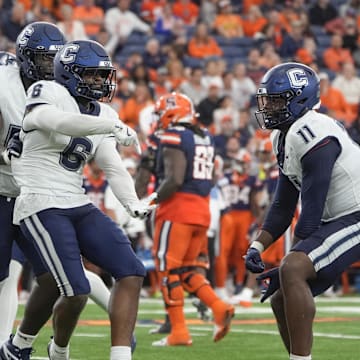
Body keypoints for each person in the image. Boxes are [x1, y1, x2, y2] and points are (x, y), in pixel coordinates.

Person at [10, 39, 157, 360]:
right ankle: (33, 348)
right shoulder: (47, 92)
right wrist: (112, 124)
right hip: (40, 200)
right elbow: (60, 122)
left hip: (76, 200)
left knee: (131, 269)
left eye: (102, 76)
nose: (100, 83)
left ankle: (120, 356)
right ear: (69, 73)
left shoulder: (104, 111)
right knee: (74, 289)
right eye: (91, 75)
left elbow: (112, 165)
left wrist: (133, 203)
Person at [244, 62, 360, 360]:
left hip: (355, 215)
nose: (268, 106)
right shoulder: (284, 135)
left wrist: (290, 261)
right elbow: (283, 203)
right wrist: (258, 245)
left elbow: (311, 207)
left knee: (293, 268)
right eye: (267, 99)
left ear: (301, 99)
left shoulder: (313, 130)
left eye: (277, 99)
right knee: (281, 298)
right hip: (339, 219)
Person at [0, 22, 68, 360]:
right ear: (26, 57)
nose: (50, 67)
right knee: (4, 276)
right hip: (2, 190)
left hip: (36, 195)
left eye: (55, 59)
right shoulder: (4, 84)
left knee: (61, 273)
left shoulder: (59, 92)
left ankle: (19, 345)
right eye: (44, 59)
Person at [150, 92, 234, 347]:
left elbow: (174, 179)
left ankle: (179, 332)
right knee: (187, 271)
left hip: (177, 209)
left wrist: (152, 200)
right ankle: (219, 307)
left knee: (167, 270)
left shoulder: (174, 135)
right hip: (202, 210)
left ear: (172, 112)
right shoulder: (204, 136)